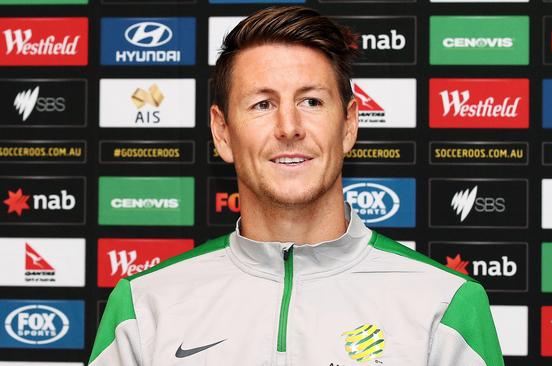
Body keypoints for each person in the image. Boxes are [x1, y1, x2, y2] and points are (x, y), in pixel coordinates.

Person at [88, 6, 504, 366]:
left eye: (312, 101)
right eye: (263, 104)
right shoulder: (144, 305)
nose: (289, 128)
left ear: (349, 125)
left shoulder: (446, 304)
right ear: (222, 132)